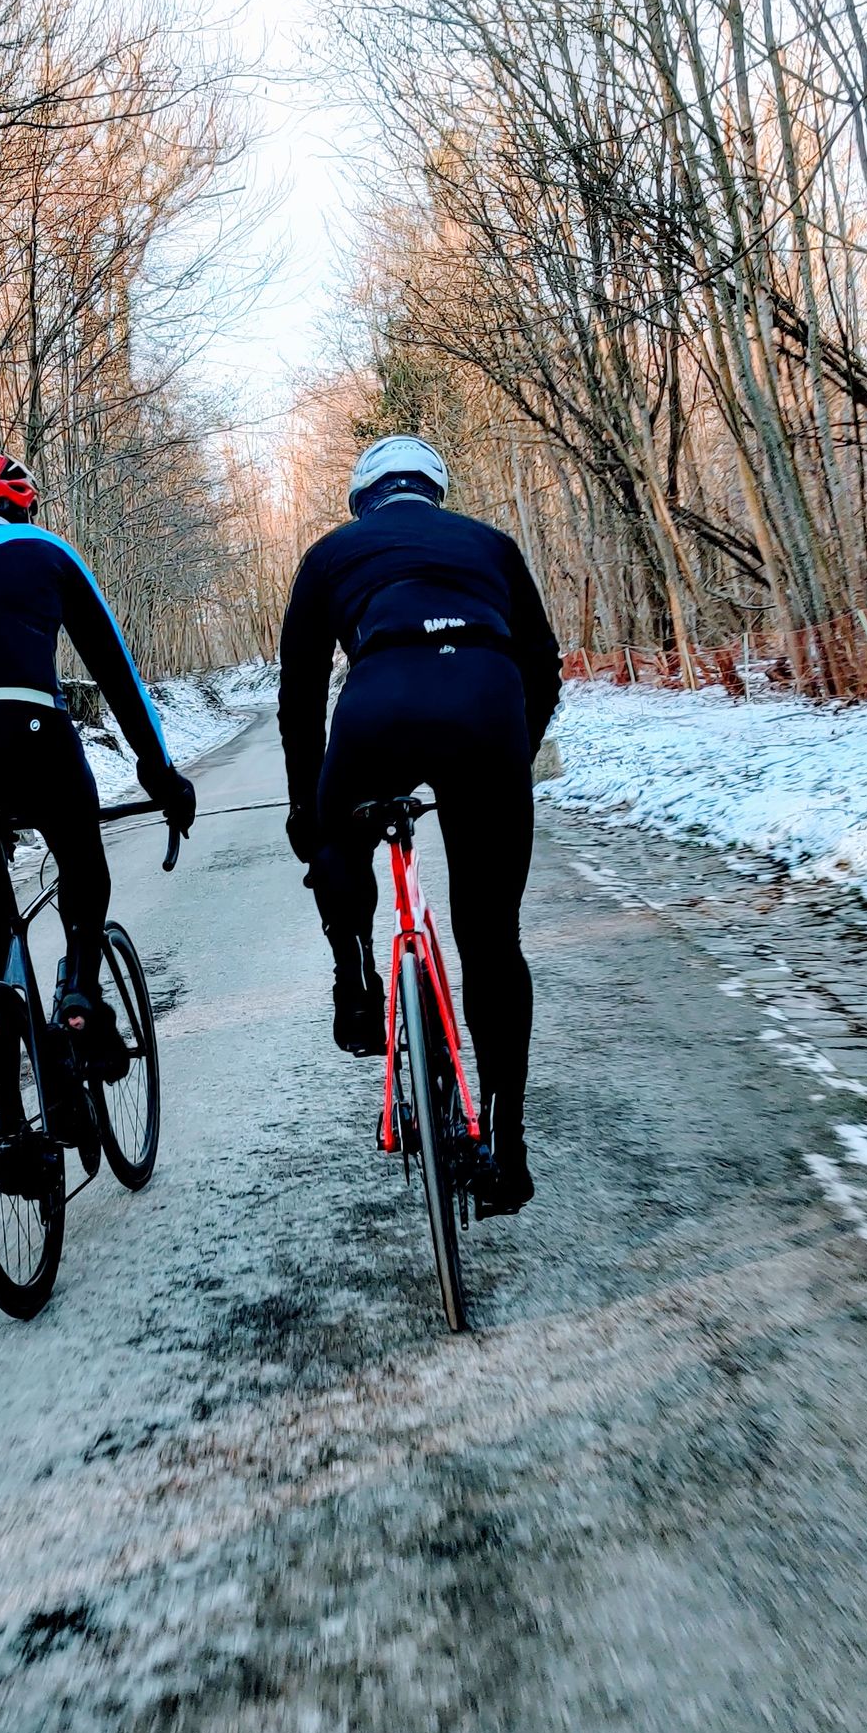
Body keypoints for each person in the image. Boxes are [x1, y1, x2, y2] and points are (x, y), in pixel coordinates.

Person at [278, 433, 560, 1213]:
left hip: (381, 706)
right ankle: (506, 1144)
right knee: (492, 938)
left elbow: (299, 696)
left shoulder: (332, 552)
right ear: (435, 493)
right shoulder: (491, 544)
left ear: (363, 500)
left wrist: (310, 813)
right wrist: (512, 756)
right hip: (488, 705)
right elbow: (543, 664)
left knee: (340, 839)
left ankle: (357, 977)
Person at [0, 448, 197, 1088]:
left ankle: (2, 1124)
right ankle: (82, 990)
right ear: (22, 506)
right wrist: (159, 772)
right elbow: (117, 672)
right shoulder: (45, 549)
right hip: (28, 739)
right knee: (83, 864)